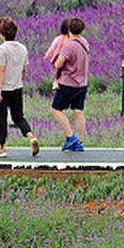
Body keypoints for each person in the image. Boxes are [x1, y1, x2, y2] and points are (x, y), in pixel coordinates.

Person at [0, 18, 41, 159]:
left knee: (1, 118)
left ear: (2, 33)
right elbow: (24, 70)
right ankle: (31, 136)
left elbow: (0, 70)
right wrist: (18, 80)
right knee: (18, 117)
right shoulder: (22, 48)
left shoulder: (2, 49)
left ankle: (0, 147)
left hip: (3, 89)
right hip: (17, 88)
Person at [48, 17, 91, 154]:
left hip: (68, 83)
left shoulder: (69, 46)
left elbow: (58, 64)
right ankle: (79, 142)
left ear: (68, 30)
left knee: (56, 109)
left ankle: (70, 136)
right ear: (82, 30)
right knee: (78, 112)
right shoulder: (84, 43)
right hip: (82, 83)